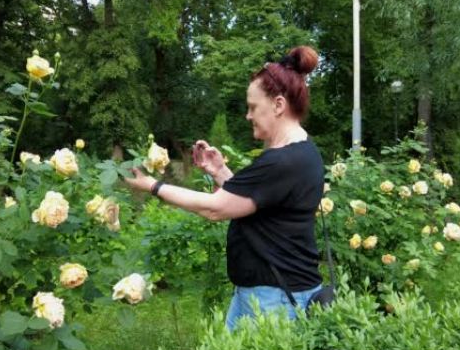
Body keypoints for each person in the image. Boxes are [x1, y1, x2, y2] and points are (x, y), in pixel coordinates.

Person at [125, 46, 324, 330]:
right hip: (267, 292)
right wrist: (220, 171)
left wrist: (151, 185)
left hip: (273, 299)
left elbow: (215, 208)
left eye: (253, 107)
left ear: (278, 105)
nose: (248, 115)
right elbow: (257, 203)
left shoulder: (283, 161)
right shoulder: (302, 152)